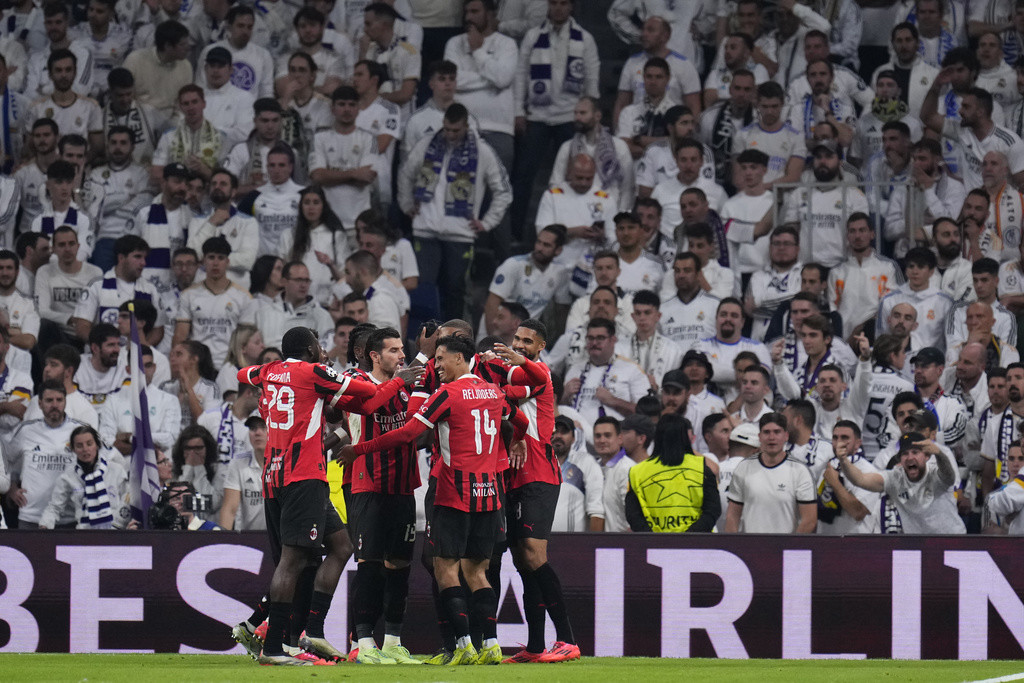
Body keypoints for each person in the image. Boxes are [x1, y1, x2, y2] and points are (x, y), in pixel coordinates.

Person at [339, 334, 529, 666]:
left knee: (445, 568)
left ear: (460, 358)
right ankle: (492, 644)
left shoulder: (447, 394)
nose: (436, 365)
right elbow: (521, 420)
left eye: (441, 359)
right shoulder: (494, 391)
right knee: (478, 571)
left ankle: (464, 644)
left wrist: (360, 449)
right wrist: (518, 442)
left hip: (454, 492)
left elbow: (409, 433)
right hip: (489, 493)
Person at [237, 326, 379, 665]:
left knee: (341, 545)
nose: (322, 348)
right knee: (294, 561)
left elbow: (244, 372)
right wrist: (401, 380)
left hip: (275, 475)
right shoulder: (313, 372)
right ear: (309, 348)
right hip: (303, 476)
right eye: (318, 344)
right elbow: (368, 393)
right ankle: (275, 647)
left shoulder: (269, 372)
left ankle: (306, 632)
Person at [493, 323, 580, 663]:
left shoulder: (539, 374)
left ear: (541, 346)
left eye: (528, 341)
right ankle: (535, 645)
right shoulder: (513, 378)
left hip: (540, 474)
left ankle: (568, 639)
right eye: (517, 339)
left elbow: (539, 378)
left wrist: (514, 361)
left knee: (534, 554)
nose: (520, 345)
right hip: (514, 478)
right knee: (522, 562)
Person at [398, 103, 511, 321]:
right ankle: (423, 341)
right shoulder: (427, 144)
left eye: (456, 130)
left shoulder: (482, 151)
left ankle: (453, 341)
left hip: (461, 233)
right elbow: (405, 174)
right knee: (424, 289)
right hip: (425, 229)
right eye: (447, 129)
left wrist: (487, 223)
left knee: (455, 290)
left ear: (466, 126)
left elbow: (503, 190)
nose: (450, 135)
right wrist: (406, 205)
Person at [511, 0, 600, 238]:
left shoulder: (585, 38)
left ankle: (570, 228)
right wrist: (519, 110)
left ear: (571, 7)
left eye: (564, 4)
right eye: (554, 3)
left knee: (572, 175)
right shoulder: (532, 36)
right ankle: (515, 232)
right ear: (548, 6)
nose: (559, 8)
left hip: (570, 117)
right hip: (537, 116)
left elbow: (591, 78)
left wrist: (589, 113)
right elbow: (521, 75)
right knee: (523, 176)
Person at [839, 431, 966, 534]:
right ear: (900, 459)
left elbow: (949, 476)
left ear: (927, 456)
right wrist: (844, 461)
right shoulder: (895, 478)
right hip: (919, 546)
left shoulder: (935, 474)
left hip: (951, 540)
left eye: (915, 452)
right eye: (905, 454)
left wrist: (939, 453)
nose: (910, 457)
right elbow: (860, 479)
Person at [625, 412, 720, 532]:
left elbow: (633, 515)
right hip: (698, 545)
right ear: (685, 438)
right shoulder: (702, 467)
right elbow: (713, 510)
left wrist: (653, 538)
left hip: (653, 545)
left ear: (657, 437)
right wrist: (691, 536)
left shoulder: (637, 472)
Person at [724, 412, 818, 533]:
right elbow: (732, 516)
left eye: (777, 432)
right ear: (759, 437)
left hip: (785, 548)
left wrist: (789, 547)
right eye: (766, 432)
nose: (771, 437)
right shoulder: (744, 468)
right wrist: (733, 546)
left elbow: (809, 520)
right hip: (750, 548)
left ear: (786, 436)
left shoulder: (800, 471)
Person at [5, 381, 81, 528]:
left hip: (69, 518)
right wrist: (11, 488)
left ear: (65, 402)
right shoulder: (26, 430)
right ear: (39, 404)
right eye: (49, 400)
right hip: (31, 517)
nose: (55, 404)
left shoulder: (79, 430)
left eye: (59, 400)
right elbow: (6, 461)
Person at [173, 237, 253, 368]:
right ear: (203, 261)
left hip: (230, 366)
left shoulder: (243, 296)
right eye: (211, 257)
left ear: (227, 262)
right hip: (198, 366)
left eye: (220, 258)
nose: (215, 263)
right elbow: (180, 336)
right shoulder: (188, 295)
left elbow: (245, 339)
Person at [71, 234, 163, 344]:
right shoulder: (96, 286)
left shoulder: (150, 289)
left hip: (137, 356)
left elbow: (158, 330)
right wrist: (103, 347)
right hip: (103, 357)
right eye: (137, 257)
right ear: (121, 258)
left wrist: (139, 351)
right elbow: (82, 326)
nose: (143, 263)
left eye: (144, 258)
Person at [483, 225, 571, 336]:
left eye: (546, 245)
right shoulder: (513, 265)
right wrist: (492, 338)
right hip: (495, 330)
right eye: (538, 242)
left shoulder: (560, 273)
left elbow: (562, 309)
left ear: (558, 250)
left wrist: (561, 337)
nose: (540, 248)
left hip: (526, 336)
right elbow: (492, 303)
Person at [38, 424, 130, 530]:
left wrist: (117, 525)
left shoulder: (116, 470)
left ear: (97, 445)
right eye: (79, 446)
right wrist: (44, 525)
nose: (85, 449)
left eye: (89, 444)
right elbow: (54, 507)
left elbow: (127, 499)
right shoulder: (68, 476)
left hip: (115, 531)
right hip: (84, 534)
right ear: (73, 449)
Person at [561, 318, 650, 425]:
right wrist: (565, 395)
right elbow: (559, 409)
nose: (594, 343)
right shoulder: (575, 369)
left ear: (613, 340)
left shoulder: (632, 370)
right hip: (576, 435)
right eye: (590, 338)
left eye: (600, 338)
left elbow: (646, 412)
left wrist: (613, 401)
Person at [827, 213, 903, 338]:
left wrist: (864, 328)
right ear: (847, 236)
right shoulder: (836, 272)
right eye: (852, 231)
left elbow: (896, 305)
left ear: (872, 234)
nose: (857, 236)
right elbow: (832, 309)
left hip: (879, 339)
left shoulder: (888, 267)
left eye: (862, 230)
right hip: (844, 340)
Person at [96, 343, 181, 455]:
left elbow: (169, 439)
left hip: (158, 465)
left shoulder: (169, 400)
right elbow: (105, 440)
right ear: (128, 370)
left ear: (154, 368)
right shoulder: (112, 400)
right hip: (122, 465)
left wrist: (130, 437)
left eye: (148, 365)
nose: (143, 371)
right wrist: (149, 445)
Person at [278, 185, 351, 305]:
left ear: (323, 206)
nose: (311, 207)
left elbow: (344, 276)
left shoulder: (336, 236)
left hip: (328, 302)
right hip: (295, 302)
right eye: (307, 202)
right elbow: (281, 272)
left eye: (316, 202)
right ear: (301, 206)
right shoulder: (288, 235)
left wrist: (330, 265)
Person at [186, 168, 260, 286]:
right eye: (214, 184)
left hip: (236, 289)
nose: (217, 187)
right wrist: (212, 223)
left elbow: (248, 260)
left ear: (234, 192)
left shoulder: (248, 222)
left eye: (223, 184)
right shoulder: (197, 220)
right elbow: (192, 256)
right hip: (202, 288)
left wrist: (209, 259)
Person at [877, 246, 954, 351]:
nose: (915, 271)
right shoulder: (889, 300)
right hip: (897, 362)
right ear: (906, 270)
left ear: (931, 271)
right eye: (911, 266)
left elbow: (951, 342)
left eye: (921, 267)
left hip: (932, 363)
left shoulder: (945, 302)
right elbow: (881, 338)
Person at [692, 298, 771, 399]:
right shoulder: (700, 345)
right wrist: (744, 374)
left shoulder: (758, 348)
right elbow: (700, 372)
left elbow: (761, 378)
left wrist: (715, 369)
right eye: (723, 315)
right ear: (716, 318)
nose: (728, 319)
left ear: (742, 322)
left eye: (734, 316)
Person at [196, 4, 275, 99]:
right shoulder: (211, 51)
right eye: (240, 26)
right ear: (229, 27)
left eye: (249, 27)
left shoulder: (263, 55)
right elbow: (201, 88)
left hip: (249, 111)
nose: (245, 31)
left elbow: (266, 93)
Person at [817, 420, 882, 534]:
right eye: (835, 438)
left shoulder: (869, 472)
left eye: (845, 438)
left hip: (855, 545)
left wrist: (835, 483)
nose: (838, 443)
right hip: (826, 541)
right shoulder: (827, 467)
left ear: (857, 443)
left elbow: (858, 512)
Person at [151, 85, 225, 183]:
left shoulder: (220, 137)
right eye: (186, 104)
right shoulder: (168, 136)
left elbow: (225, 180)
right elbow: (156, 172)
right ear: (180, 107)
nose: (191, 107)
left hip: (207, 192)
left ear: (204, 104)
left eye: (195, 102)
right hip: (176, 191)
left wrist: (204, 170)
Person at [122, 20, 193, 119]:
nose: (188, 47)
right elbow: (124, 97)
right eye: (182, 44)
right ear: (167, 46)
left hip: (170, 119)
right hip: (138, 117)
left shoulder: (186, 66)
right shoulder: (135, 60)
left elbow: (182, 104)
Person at [602, 413, 654, 533]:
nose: (619, 437)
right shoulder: (615, 467)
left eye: (624, 432)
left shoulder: (651, 472)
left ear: (641, 438)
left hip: (635, 541)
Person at [25, 343, 97, 428]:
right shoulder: (35, 401)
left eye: (53, 365)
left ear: (69, 371)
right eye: (46, 364)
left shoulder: (84, 410)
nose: (46, 369)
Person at [218, 415, 268, 531]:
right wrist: (223, 543)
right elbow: (229, 509)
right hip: (249, 537)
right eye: (253, 428)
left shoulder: (285, 462)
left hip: (280, 539)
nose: (257, 433)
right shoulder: (238, 463)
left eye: (263, 427)